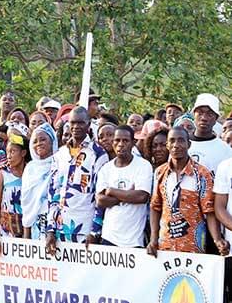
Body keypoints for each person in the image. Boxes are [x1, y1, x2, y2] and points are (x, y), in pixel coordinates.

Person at [147, 127, 228, 256]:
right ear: (167, 145)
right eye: (172, 141)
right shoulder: (160, 173)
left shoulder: (202, 174)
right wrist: (153, 239)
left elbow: (209, 211)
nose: (176, 145)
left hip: (193, 247)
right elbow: (155, 207)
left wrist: (217, 239)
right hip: (165, 246)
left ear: (189, 144)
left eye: (181, 141)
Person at [45, 107, 109, 251]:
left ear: (88, 124)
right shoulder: (60, 154)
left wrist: (94, 231)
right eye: (73, 123)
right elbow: (53, 193)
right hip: (59, 230)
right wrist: (50, 229)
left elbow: (101, 195)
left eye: (81, 123)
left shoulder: (98, 154)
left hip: (84, 229)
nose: (76, 127)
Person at [93, 126, 152, 247]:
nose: (120, 144)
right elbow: (100, 201)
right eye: (117, 140)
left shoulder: (143, 166)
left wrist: (111, 191)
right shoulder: (106, 168)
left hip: (134, 240)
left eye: (125, 141)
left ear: (133, 143)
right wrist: (128, 194)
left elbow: (142, 197)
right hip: (109, 237)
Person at [0, 133, 30, 257]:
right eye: (7, 152)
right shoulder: (2, 175)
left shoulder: (31, 174)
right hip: (6, 233)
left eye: (13, 151)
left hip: (28, 231)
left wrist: (27, 236)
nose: (9, 156)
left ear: (23, 153)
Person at [21, 123, 58, 240]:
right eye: (35, 141)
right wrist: (26, 234)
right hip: (34, 226)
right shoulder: (30, 168)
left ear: (52, 141)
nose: (38, 144)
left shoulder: (59, 164)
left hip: (55, 224)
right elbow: (26, 202)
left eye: (43, 139)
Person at [188, 93, 232, 173]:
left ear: (216, 118)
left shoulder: (225, 151)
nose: (204, 118)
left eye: (210, 114)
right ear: (194, 114)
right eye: (200, 113)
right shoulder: (180, 145)